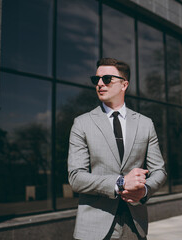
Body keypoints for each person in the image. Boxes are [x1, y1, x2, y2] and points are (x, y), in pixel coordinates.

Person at [68, 57, 167, 240]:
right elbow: (75, 178)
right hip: (94, 229)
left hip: (135, 226)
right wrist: (120, 183)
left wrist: (144, 191)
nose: (99, 84)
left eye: (106, 79)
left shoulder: (145, 124)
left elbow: (159, 171)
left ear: (124, 85)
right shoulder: (82, 123)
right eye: (95, 79)